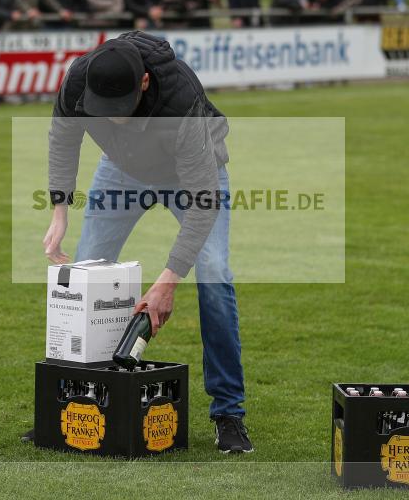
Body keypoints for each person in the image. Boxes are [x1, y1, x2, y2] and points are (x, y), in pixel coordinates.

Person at [38, 31, 252, 453]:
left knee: (213, 273)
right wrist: (60, 209)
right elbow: (63, 138)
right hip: (121, 173)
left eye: (121, 108)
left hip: (191, 175)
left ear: (144, 84)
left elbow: (204, 203)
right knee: (84, 275)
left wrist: (167, 280)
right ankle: (76, 402)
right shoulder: (79, 78)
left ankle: (229, 412)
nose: (114, 118)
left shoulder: (181, 101)